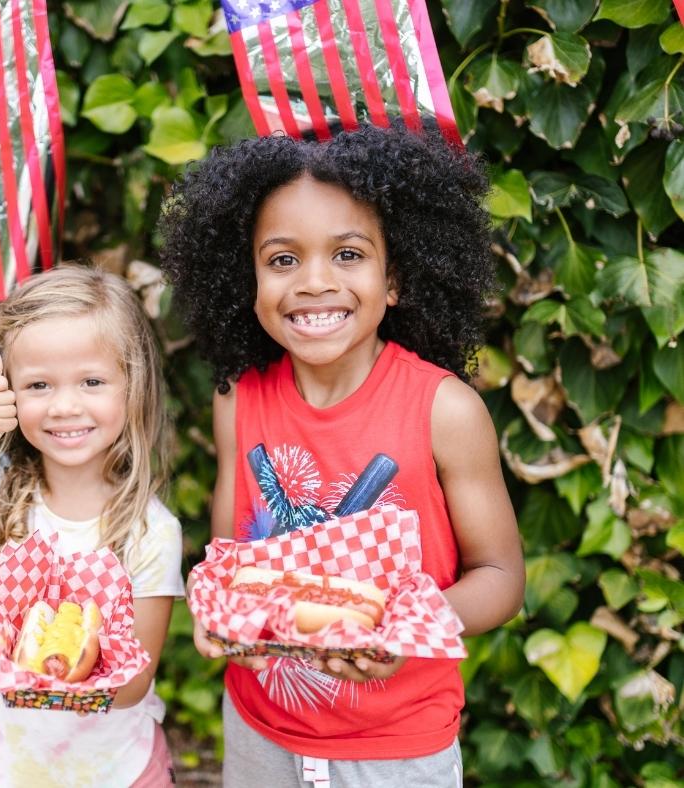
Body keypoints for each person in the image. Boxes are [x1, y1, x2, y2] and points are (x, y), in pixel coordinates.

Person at [158, 122, 525, 787]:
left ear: (397, 280)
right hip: (259, 731)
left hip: (398, 748)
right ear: (247, 280)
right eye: (283, 259)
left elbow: (500, 574)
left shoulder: (446, 411)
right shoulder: (237, 398)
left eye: (349, 254)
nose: (314, 281)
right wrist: (216, 612)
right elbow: (231, 561)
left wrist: (408, 627)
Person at [0, 264, 184, 787]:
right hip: (16, 770)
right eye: (38, 385)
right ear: (7, 391)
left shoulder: (150, 531)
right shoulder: (3, 496)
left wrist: (50, 662)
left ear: (132, 386)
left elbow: (132, 685)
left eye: (92, 381)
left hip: (119, 772)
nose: (65, 405)